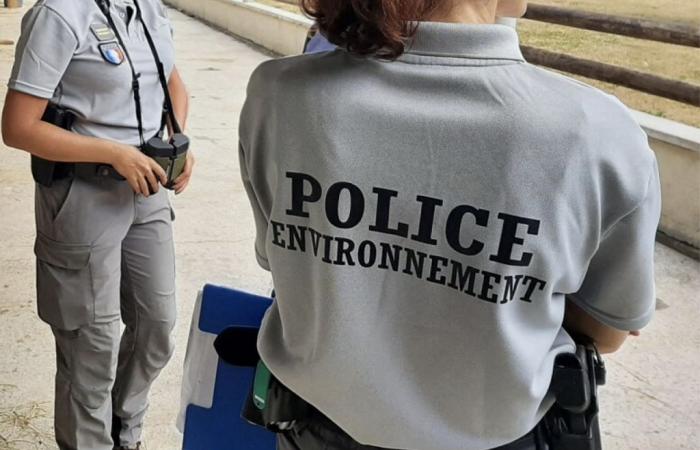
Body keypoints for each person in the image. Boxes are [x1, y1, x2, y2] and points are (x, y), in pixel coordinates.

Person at [237, 0, 661, 448]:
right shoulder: (599, 134)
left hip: (310, 429)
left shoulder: (277, 95)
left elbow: (288, 265)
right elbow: (607, 329)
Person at [1, 0, 193, 448]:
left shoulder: (146, 6)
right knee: (91, 345)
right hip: (81, 195)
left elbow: (173, 85)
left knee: (156, 327)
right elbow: (17, 127)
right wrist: (112, 152)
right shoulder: (60, 13)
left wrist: (177, 138)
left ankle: (124, 433)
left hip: (145, 190)